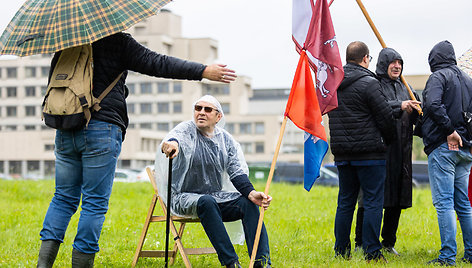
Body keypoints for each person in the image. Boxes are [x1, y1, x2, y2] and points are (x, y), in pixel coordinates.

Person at [36, 32, 237, 268]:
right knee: (93, 203)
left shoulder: (67, 40)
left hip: (66, 127)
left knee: (62, 198)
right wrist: (203, 71)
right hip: (102, 130)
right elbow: (157, 63)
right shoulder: (117, 40)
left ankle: (43, 265)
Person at [157, 95, 272, 268]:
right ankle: (231, 263)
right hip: (182, 197)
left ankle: (261, 263)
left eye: (207, 109)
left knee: (248, 203)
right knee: (206, 201)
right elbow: (173, 139)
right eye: (198, 108)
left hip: (214, 198)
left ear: (218, 117)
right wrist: (171, 145)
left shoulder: (226, 141)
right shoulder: (186, 130)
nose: (201, 113)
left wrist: (251, 193)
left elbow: (236, 172)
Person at [329, 41, 395, 262]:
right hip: (370, 154)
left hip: (342, 154)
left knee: (345, 201)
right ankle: (372, 252)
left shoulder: (332, 84)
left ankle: (341, 251)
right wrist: (389, 140)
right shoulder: (369, 83)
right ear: (366, 58)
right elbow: (385, 116)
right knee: (373, 201)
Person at [354, 48, 421, 255]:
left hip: (402, 152)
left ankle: (388, 242)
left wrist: (417, 109)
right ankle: (360, 242)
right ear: (384, 64)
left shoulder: (406, 87)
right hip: (380, 150)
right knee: (370, 198)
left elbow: (417, 117)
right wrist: (400, 106)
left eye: (400, 63)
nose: (397, 66)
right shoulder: (374, 85)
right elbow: (377, 109)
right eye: (393, 62)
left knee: (397, 198)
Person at [421, 40, 472, 266]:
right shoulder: (468, 80)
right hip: (465, 149)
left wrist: (450, 130)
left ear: (434, 59)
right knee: (464, 204)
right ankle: (470, 252)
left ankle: (447, 257)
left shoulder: (438, 77)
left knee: (444, 203)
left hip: (443, 146)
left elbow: (432, 104)